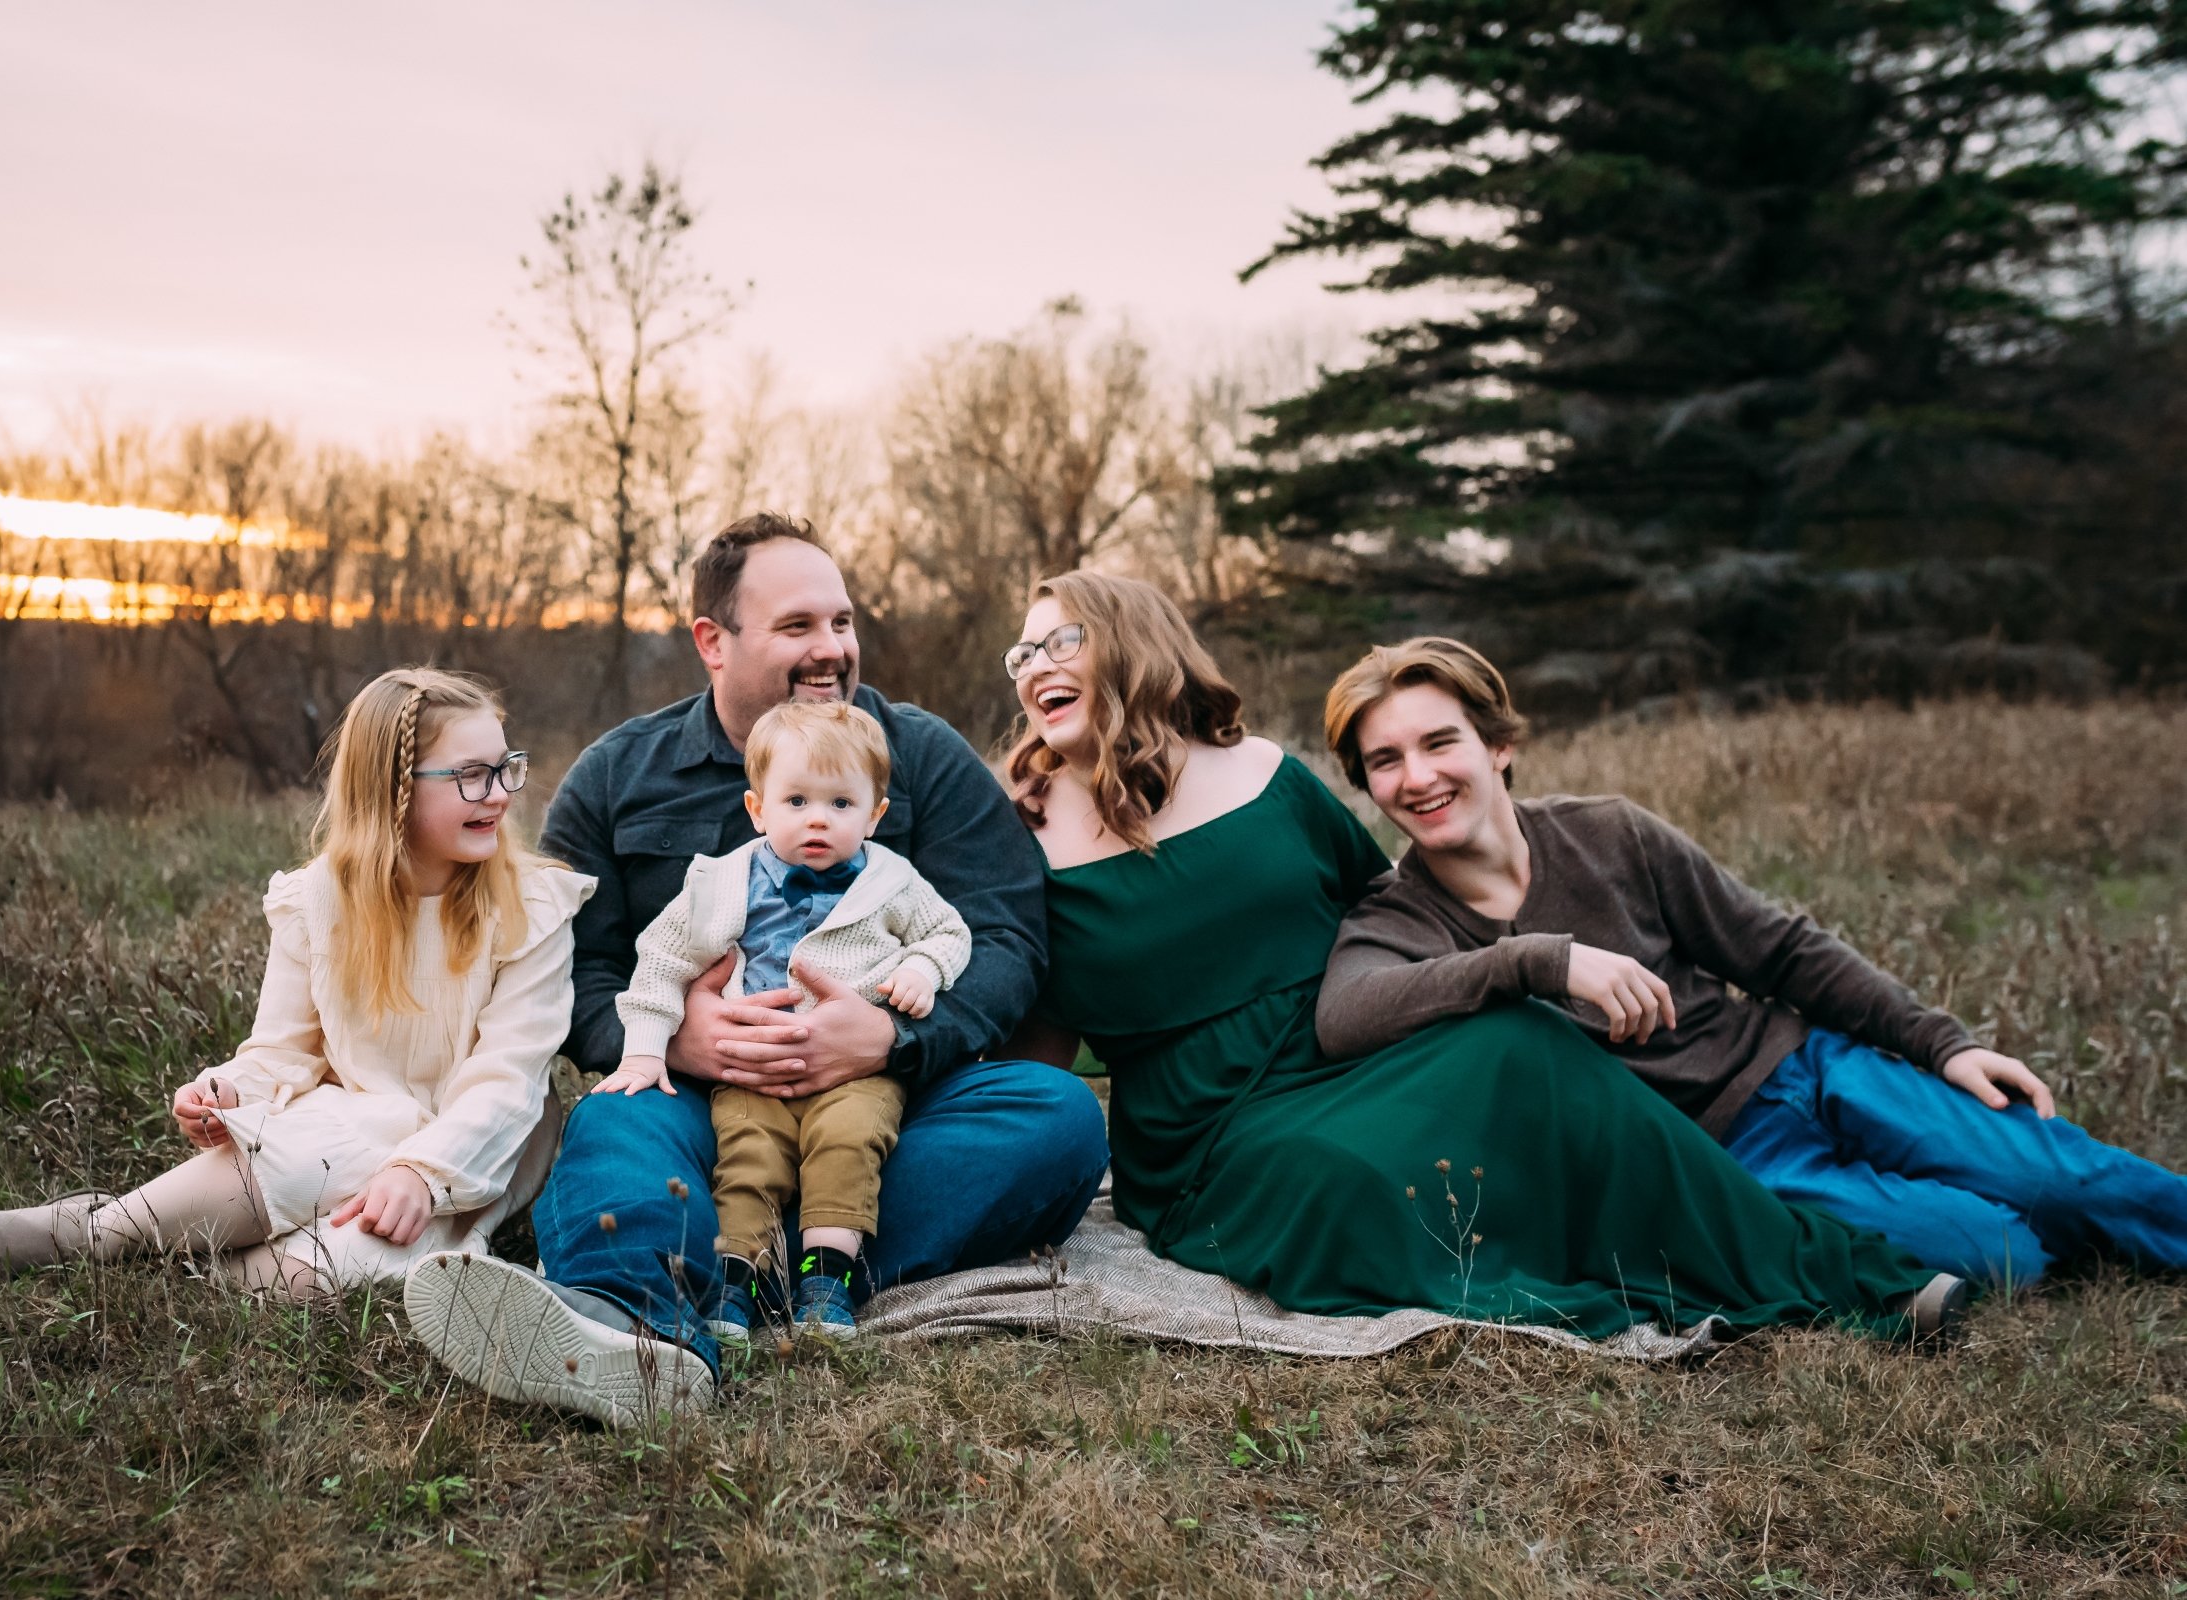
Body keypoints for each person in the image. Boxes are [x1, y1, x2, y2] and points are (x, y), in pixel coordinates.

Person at [1005, 571, 1957, 1340]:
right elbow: (1039, 1040)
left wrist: (1530, 956)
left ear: (1131, 642)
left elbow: (1381, 911)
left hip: (1354, 1056)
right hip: (1212, 1139)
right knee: (1353, 1184)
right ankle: (1642, 1282)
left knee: (1526, 1041)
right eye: (1021, 652)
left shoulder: (1263, 774)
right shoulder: (1025, 839)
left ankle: (1841, 1280)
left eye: (1058, 641)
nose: (1029, 665)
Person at [402, 513, 1106, 1425]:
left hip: (888, 1109)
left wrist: (894, 1034)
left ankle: (758, 1265)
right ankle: (635, 1327)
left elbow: (1008, 937)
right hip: (699, 1104)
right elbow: (571, 969)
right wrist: (675, 1040)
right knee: (613, 1128)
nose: (832, 651)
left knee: (1055, 1120)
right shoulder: (619, 776)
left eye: (842, 623)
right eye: (798, 628)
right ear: (713, 642)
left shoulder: (920, 756)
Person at [1313, 636, 2187, 1288]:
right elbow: (1345, 1015)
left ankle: (2079, 1204)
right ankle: (2034, 1226)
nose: (1416, 777)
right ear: (1367, 785)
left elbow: (1779, 948)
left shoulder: (1607, 832)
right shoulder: (1401, 914)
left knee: (2060, 1174)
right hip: (1732, 1158)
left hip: (1811, 1068)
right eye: (1384, 761)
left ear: (1496, 745)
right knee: (2003, 1254)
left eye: (1439, 742)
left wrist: (1942, 1045)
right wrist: (1536, 962)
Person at [0, 668, 590, 1296]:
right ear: (391, 788)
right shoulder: (318, 903)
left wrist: (421, 1175)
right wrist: (230, 1089)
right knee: (300, 1150)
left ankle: (172, 1262)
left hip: (475, 1147)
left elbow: (507, 1079)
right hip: (354, 1116)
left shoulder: (530, 907)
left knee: (319, 1270)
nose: (502, 794)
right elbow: (283, 1048)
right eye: (471, 777)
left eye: (507, 767)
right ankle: (97, 1233)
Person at [602, 699, 971, 1343]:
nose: (818, 820)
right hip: (752, 1069)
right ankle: (737, 1280)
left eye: (840, 804)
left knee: (850, 1144)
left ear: (876, 815)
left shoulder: (894, 883)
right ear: (757, 808)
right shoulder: (720, 885)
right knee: (746, 1159)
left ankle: (825, 1282)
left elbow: (950, 933)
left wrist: (919, 971)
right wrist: (643, 1052)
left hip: (856, 1073)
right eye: (796, 801)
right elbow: (659, 962)